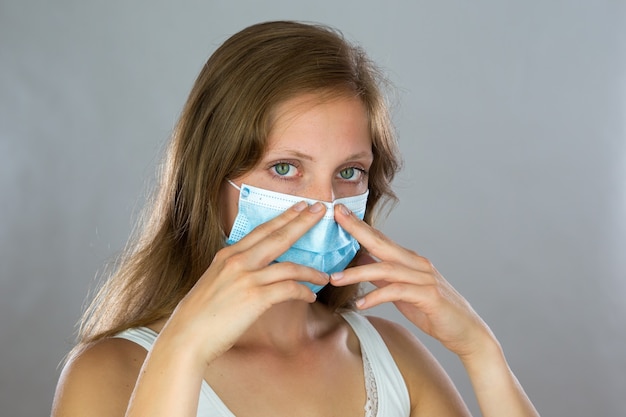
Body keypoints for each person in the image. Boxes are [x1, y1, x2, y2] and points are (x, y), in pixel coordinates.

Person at [51, 20, 539, 417]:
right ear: (209, 179)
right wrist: (185, 348)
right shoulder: (108, 372)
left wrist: (481, 351)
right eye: (285, 169)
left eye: (349, 172)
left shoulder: (393, 358)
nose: (325, 203)